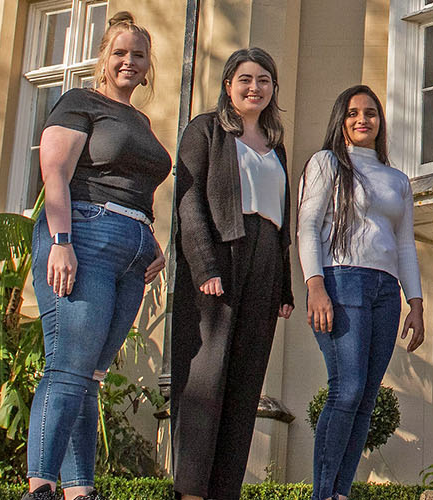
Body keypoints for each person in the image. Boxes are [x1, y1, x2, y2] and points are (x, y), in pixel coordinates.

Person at [25, 12, 168, 500]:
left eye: (139, 55)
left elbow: (139, 190)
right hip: (82, 236)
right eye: (121, 53)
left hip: (132, 251)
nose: (130, 62)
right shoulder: (79, 102)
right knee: (67, 367)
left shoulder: (141, 121)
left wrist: (155, 245)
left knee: (91, 375)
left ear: (148, 67)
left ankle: (79, 491)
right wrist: (61, 243)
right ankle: (40, 486)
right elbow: (55, 173)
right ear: (104, 60)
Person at [170, 47, 293, 500]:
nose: (254, 88)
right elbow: (189, 201)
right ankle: (191, 491)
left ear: (273, 89)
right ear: (228, 86)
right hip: (221, 257)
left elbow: (282, 223)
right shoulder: (205, 130)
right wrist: (204, 265)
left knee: (245, 383)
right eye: (245, 79)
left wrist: (283, 286)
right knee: (206, 379)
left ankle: (224, 491)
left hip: (263, 265)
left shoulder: (277, 146)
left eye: (263, 80)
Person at [298, 85, 427, 500]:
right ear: (341, 118)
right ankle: (323, 492)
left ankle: (340, 492)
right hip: (340, 280)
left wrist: (417, 302)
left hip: (386, 291)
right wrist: (314, 284)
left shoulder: (397, 179)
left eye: (370, 113)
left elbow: (405, 243)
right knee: (347, 388)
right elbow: (307, 227)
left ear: (380, 122)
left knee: (367, 398)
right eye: (353, 113)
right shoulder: (326, 163)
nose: (362, 120)